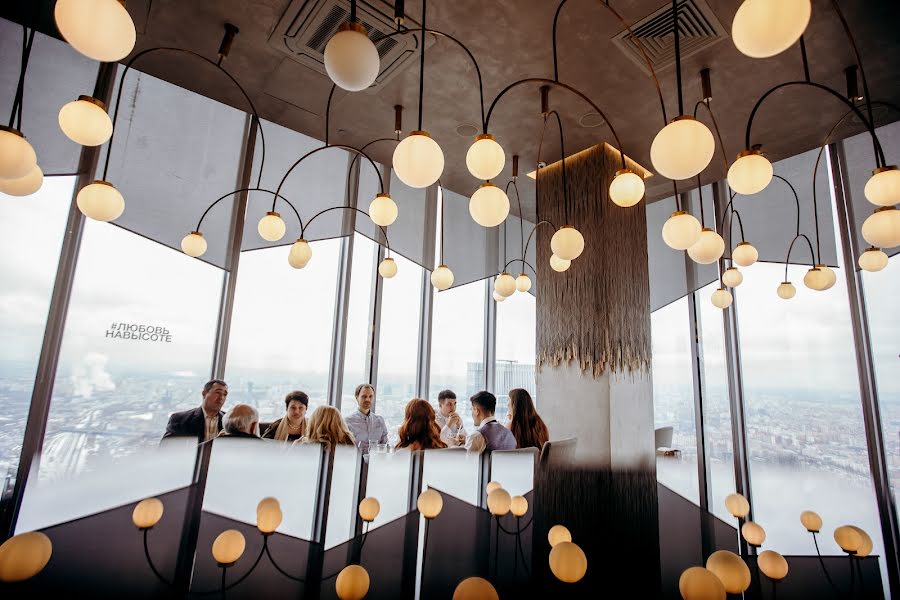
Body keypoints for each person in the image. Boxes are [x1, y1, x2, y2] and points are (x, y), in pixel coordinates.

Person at [162, 379, 228, 442]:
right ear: (204, 393)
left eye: (225, 394)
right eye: (218, 392)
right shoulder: (180, 419)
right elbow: (167, 449)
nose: (221, 398)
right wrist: (214, 442)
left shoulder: (229, 421)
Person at [344, 383, 388, 453]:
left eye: (370, 396)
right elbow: (346, 449)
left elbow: (385, 446)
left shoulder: (380, 420)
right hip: (355, 462)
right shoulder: (347, 422)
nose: (367, 399)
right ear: (357, 397)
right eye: (364, 396)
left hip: (377, 462)